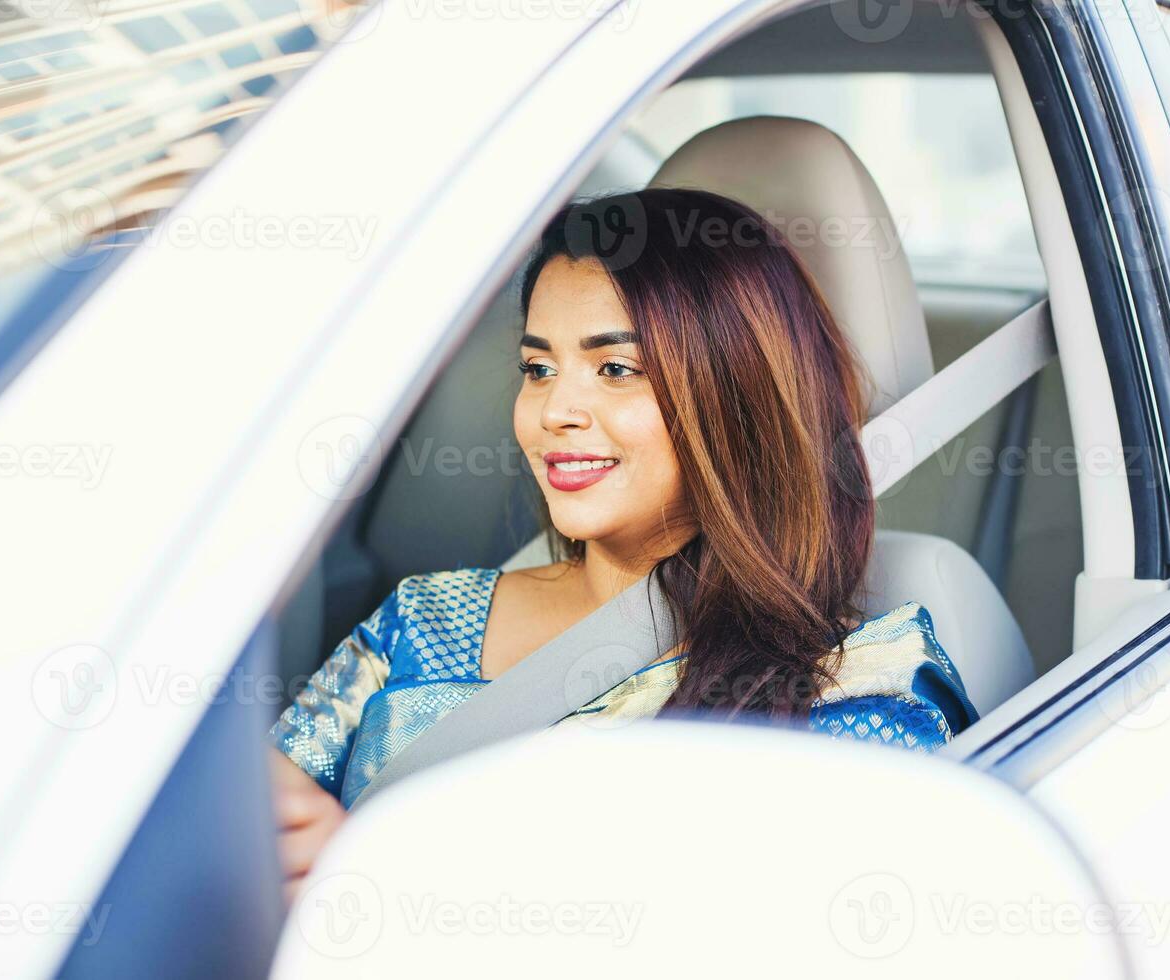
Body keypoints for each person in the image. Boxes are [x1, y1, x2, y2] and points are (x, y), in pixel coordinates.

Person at [267, 188, 978, 900]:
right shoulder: (428, 617)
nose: (554, 411)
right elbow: (244, 831)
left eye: (616, 369)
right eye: (539, 368)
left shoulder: (856, 696)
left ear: (735, 396)